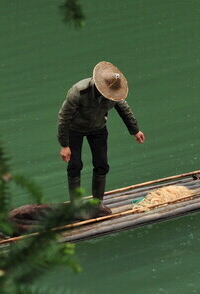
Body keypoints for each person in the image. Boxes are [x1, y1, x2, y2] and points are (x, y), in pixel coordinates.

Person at [57, 61, 145, 215]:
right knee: (75, 165)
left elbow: (124, 109)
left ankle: (97, 204)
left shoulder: (114, 94)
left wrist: (135, 130)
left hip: (98, 128)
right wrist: (64, 145)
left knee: (102, 164)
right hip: (75, 129)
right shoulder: (79, 91)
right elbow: (63, 117)